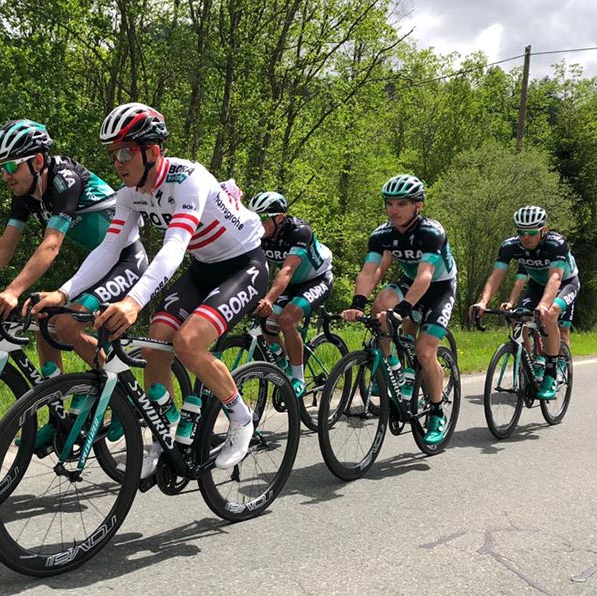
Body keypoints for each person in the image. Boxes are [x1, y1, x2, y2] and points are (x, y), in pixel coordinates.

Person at [31, 102, 269, 477]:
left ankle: (240, 417)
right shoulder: (129, 194)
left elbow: (173, 246)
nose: (118, 163)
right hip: (205, 267)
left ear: (153, 151)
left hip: (244, 265)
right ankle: (164, 435)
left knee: (188, 343)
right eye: (113, 155)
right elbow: (108, 249)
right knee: (154, 345)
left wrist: (133, 302)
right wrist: (63, 293)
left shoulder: (189, 179)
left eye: (125, 152)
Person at [0, 119, 148, 443]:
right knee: (41, 318)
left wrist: (12, 291)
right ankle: (59, 412)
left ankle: (125, 399)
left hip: (126, 261)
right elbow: (4, 248)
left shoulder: (64, 179)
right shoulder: (25, 192)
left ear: (37, 161)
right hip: (98, 263)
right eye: (1, 168)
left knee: (64, 326)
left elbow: (51, 245)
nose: (5, 175)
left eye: (10, 165)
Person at [341, 174, 456, 445]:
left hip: (438, 287)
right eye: (389, 203)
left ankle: (437, 410)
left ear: (418, 206)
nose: (393, 210)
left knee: (425, 352)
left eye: (401, 204)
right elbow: (369, 271)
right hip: (409, 282)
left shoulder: (431, 232)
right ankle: (392, 366)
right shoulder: (381, 234)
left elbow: (426, 275)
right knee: (380, 303)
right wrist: (357, 303)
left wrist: (403, 309)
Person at [469, 206, 578, 399]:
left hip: (566, 283)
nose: (525, 237)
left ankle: (551, 374)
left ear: (543, 230)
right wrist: (483, 302)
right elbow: (496, 276)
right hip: (536, 285)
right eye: (521, 232)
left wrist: (544, 306)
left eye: (531, 232)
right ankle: (532, 360)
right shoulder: (510, 245)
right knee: (518, 315)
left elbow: (555, 278)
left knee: (551, 313)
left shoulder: (556, 243)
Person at [247, 191, 334, 395]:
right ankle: (282, 362)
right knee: (267, 322)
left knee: (286, 320)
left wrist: (269, 298)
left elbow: (287, 270)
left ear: (279, 217)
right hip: (292, 283)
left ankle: (298, 378)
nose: (256, 224)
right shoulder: (259, 236)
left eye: (261, 218)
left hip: (317, 279)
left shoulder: (299, 232)